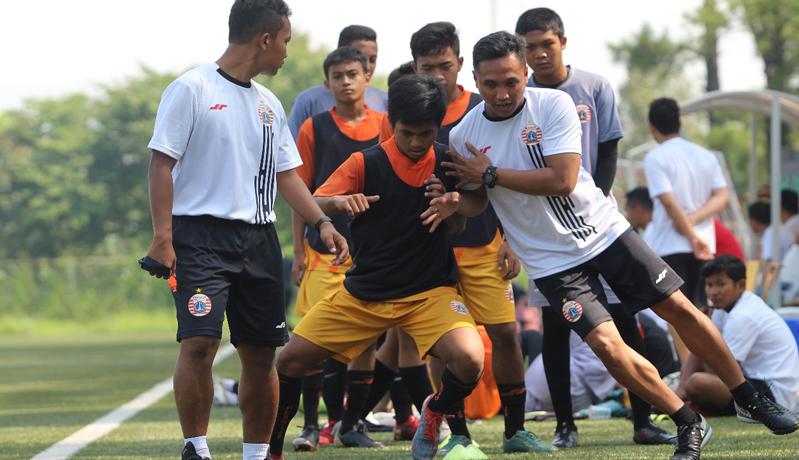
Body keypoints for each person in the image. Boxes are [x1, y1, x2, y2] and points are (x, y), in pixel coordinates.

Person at [445, 31, 799, 460]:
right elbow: (479, 199)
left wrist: (490, 174)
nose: (502, 94)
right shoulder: (464, 134)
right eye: (490, 84)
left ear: (525, 73)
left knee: (678, 309)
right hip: (551, 263)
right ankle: (687, 421)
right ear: (475, 79)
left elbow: (563, 179)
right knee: (607, 347)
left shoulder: (553, 105)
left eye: (511, 82)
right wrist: (457, 203)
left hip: (604, 233)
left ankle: (748, 397)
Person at [143, 2, 348, 460]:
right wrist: (163, 236)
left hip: (259, 240)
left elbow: (287, 176)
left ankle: (255, 454)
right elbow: (160, 164)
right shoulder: (191, 88)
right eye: (286, 42)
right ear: (265, 39)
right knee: (200, 342)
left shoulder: (268, 104)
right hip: (199, 238)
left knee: (260, 353)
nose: (286, 53)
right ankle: (196, 448)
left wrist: (322, 222)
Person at [267, 75, 489, 460]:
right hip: (364, 295)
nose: (416, 142)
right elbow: (314, 200)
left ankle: (434, 410)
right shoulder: (363, 163)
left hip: (430, 293)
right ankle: (272, 451)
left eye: (425, 133)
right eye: (407, 133)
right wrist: (340, 203)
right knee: (288, 360)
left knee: (471, 359)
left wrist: (456, 203)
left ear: (438, 127)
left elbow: (478, 201)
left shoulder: (448, 161)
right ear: (391, 124)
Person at [516, 7, 673, 448]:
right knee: (554, 327)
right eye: (530, 47)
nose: (539, 53)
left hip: (598, 226)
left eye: (547, 44)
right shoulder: (520, 97)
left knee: (624, 319)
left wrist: (593, 204)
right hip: (546, 233)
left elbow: (608, 151)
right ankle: (565, 427)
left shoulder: (595, 87)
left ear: (563, 42)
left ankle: (643, 420)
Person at [286, 46, 384, 451]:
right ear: (326, 84)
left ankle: (351, 424)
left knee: (366, 342)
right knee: (313, 338)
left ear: (367, 78)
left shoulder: (386, 125)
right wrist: (298, 251)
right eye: (338, 76)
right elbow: (299, 192)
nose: (346, 82)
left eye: (352, 74)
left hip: (371, 253)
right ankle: (311, 426)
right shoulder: (314, 128)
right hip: (323, 253)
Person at [677, 255, 799, 415]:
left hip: (773, 395)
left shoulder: (743, 315)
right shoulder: (723, 308)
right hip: (751, 380)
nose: (713, 292)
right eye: (709, 285)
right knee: (701, 343)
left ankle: (680, 400)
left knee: (697, 382)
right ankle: (679, 397)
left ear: (741, 285)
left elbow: (722, 369)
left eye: (720, 284)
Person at [643, 97, 730, 306]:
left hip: (670, 246)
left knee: (676, 312)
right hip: (704, 245)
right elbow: (722, 195)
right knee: (701, 309)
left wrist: (689, 232)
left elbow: (669, 203)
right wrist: (695, 221)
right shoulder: (706, 156)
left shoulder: (656, 157)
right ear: (680, 122)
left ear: (651, 127)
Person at [287, 25, 387, 138]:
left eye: (373, 60)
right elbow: (291, 145)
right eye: (359, 57)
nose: (367, 66)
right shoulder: (308, 102)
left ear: (367, 78)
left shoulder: (384, 102)